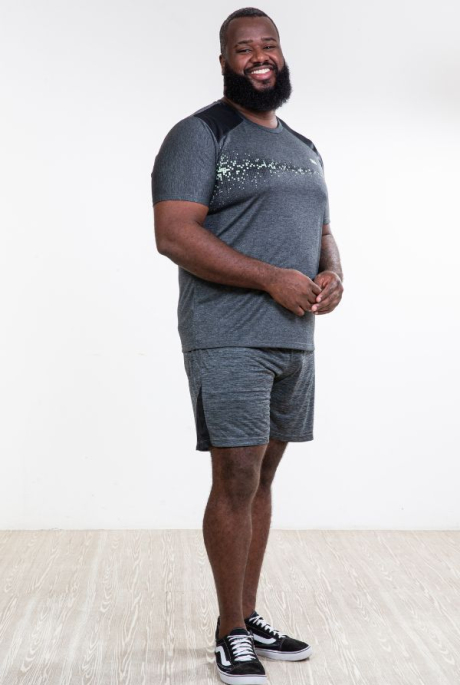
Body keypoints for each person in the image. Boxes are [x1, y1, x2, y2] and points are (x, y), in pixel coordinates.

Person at [151, 7, 344, 684]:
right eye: (243, 48)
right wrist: (269, 278)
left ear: (281, 55)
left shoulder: (304, 144)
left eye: (269, 45)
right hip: (227, 336)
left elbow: (322, 230)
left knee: (263, 478)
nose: (259, 56)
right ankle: (228, 631)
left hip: (294, 338)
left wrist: (332, 273)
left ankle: (248, 612)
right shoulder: (200, 134)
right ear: (224, 61)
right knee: (235, 477)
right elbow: (174, 233)